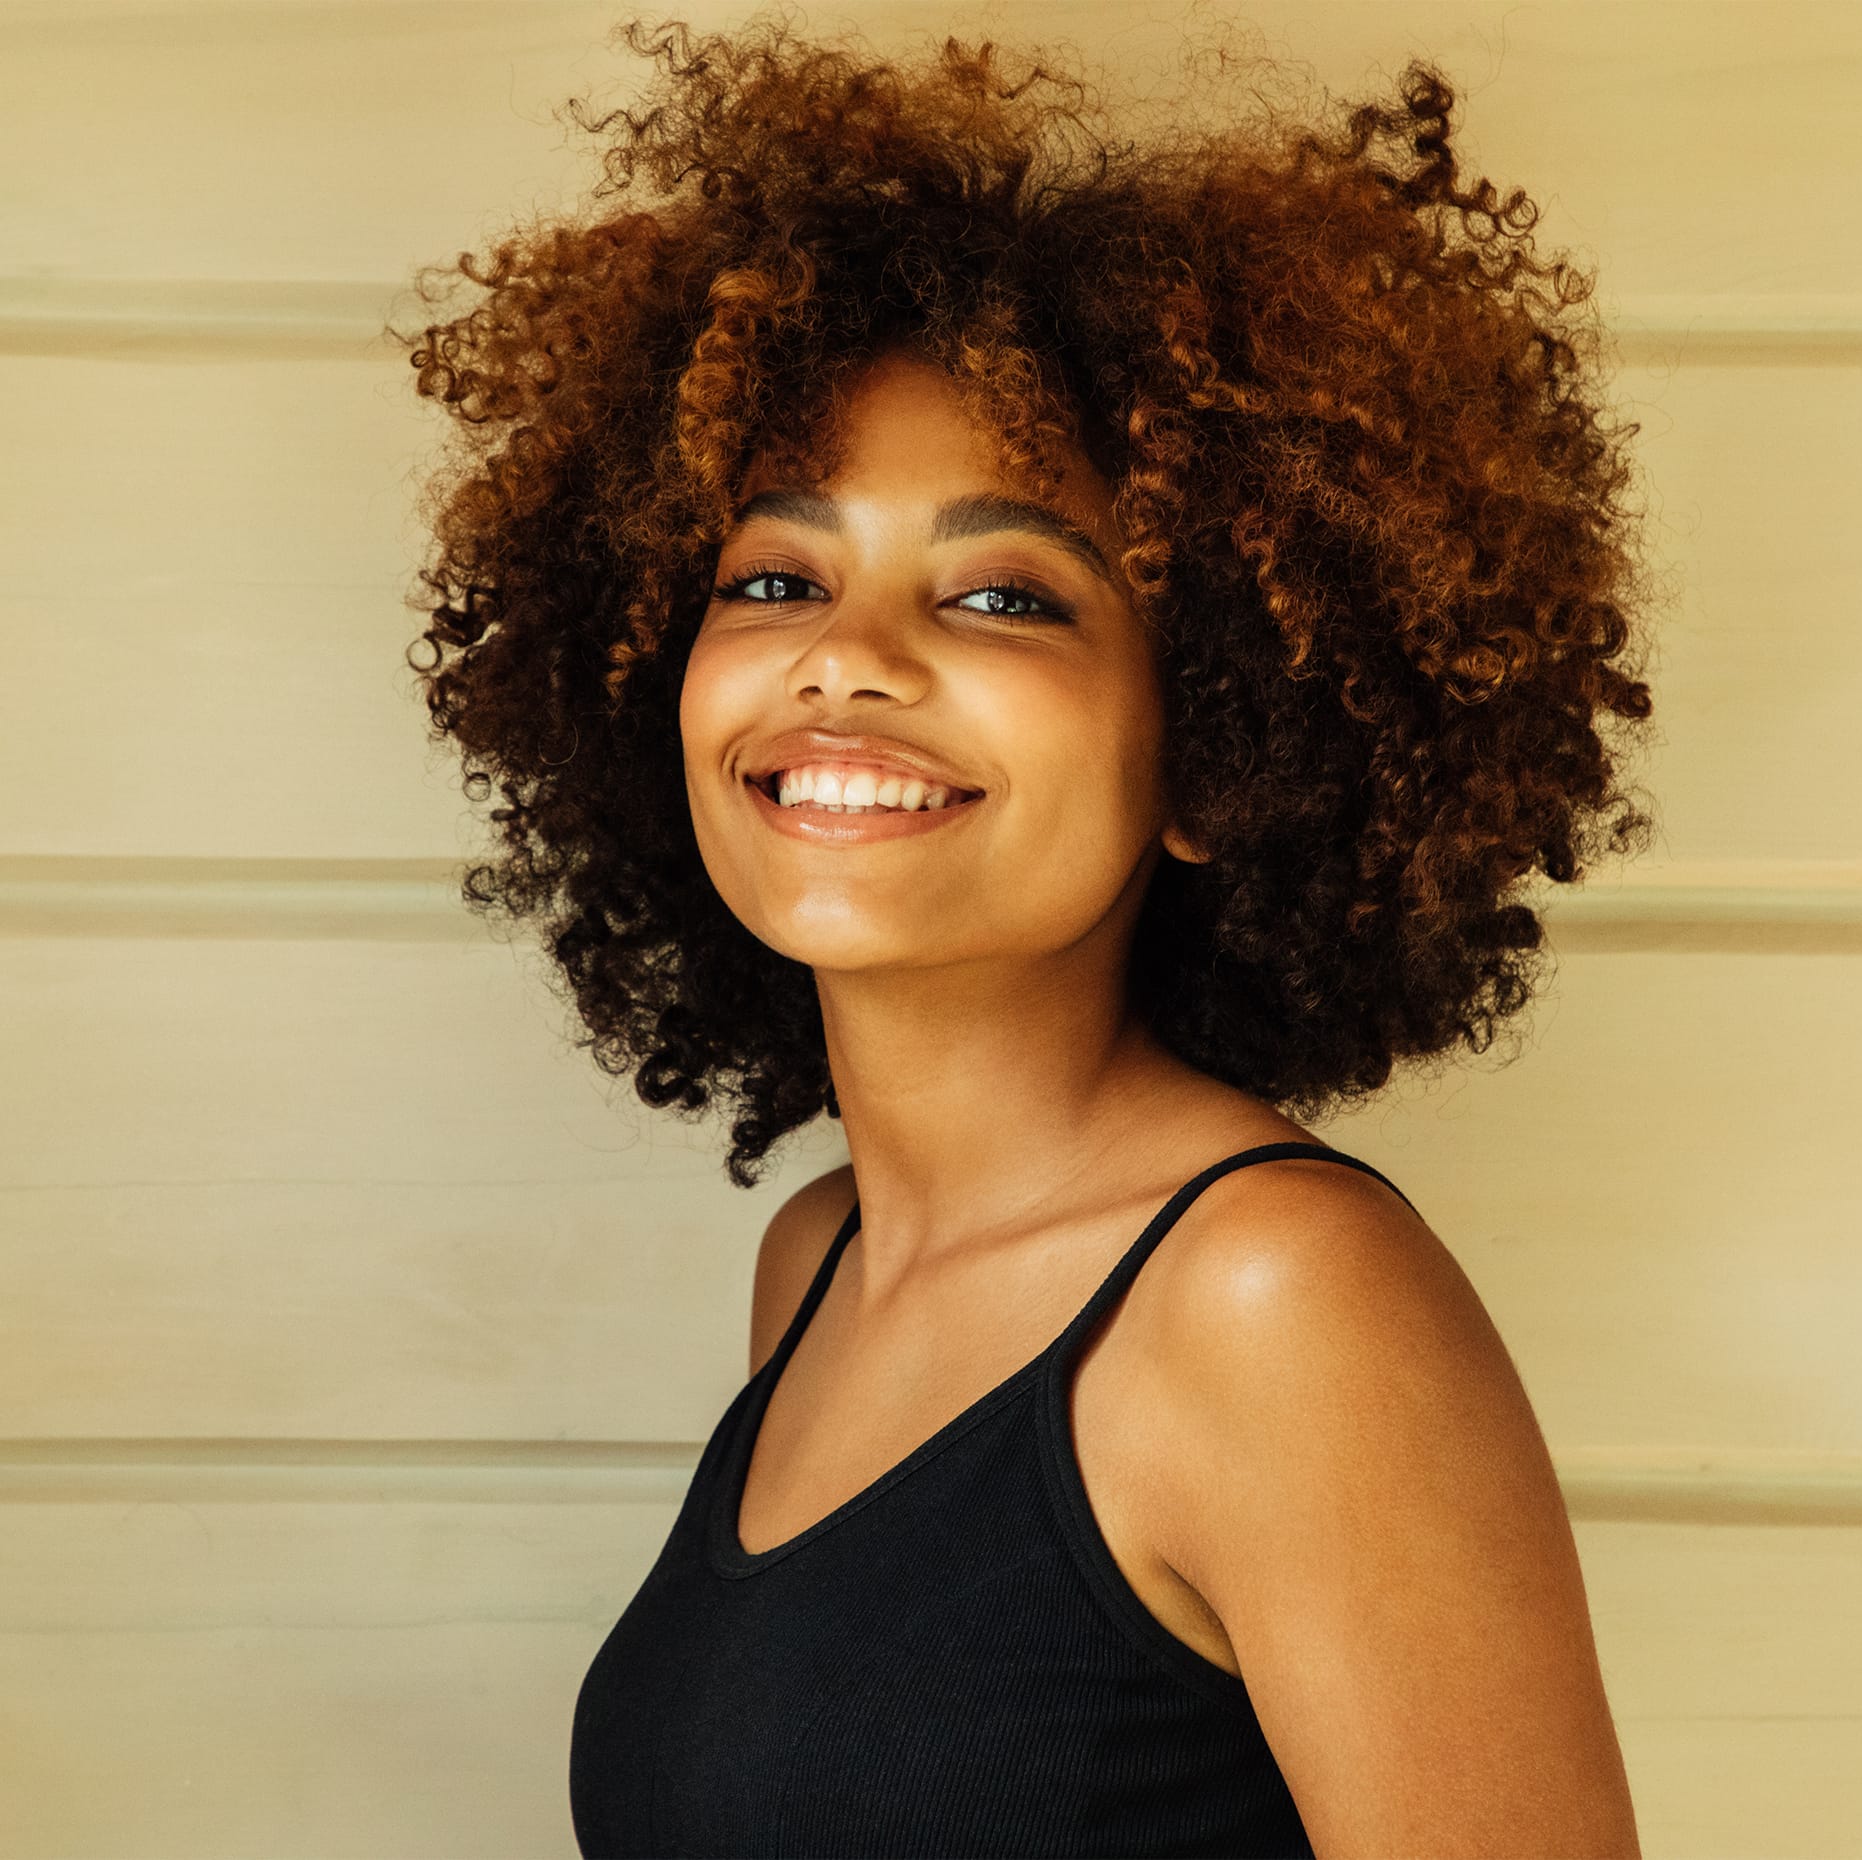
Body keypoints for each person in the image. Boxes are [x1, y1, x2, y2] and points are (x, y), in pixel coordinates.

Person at [403, 15, 1654, 1856]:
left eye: (1002, 594)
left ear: (1213, 752)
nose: (844, 654)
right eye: (775, 578)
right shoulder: (815, 1263)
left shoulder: (1274, 1306)